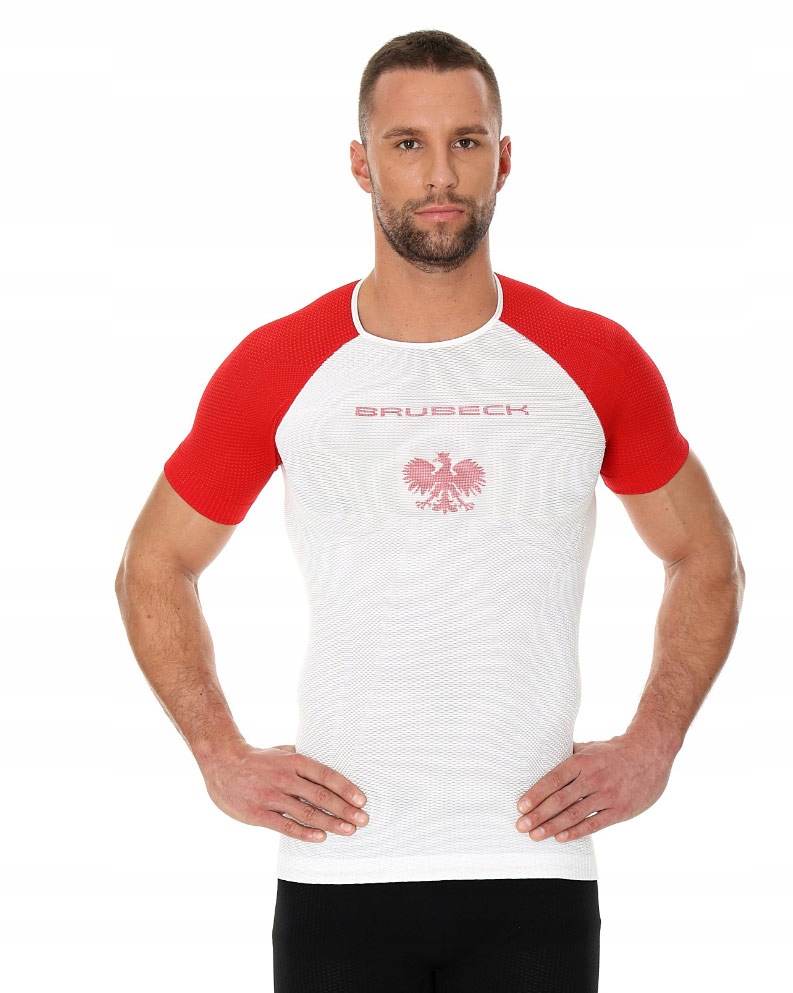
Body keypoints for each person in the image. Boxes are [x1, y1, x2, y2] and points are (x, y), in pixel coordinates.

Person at [115, 29, 745, 993]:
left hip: (533, 868)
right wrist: (219, 753)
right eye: (408, 143)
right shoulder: (281, 364)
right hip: (340, 869)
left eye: (466, 140)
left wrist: (654, 741)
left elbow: (706, 554)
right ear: (361, 162)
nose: (440, 173)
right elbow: (153, 565)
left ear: (505, 157)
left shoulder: (592, 359)